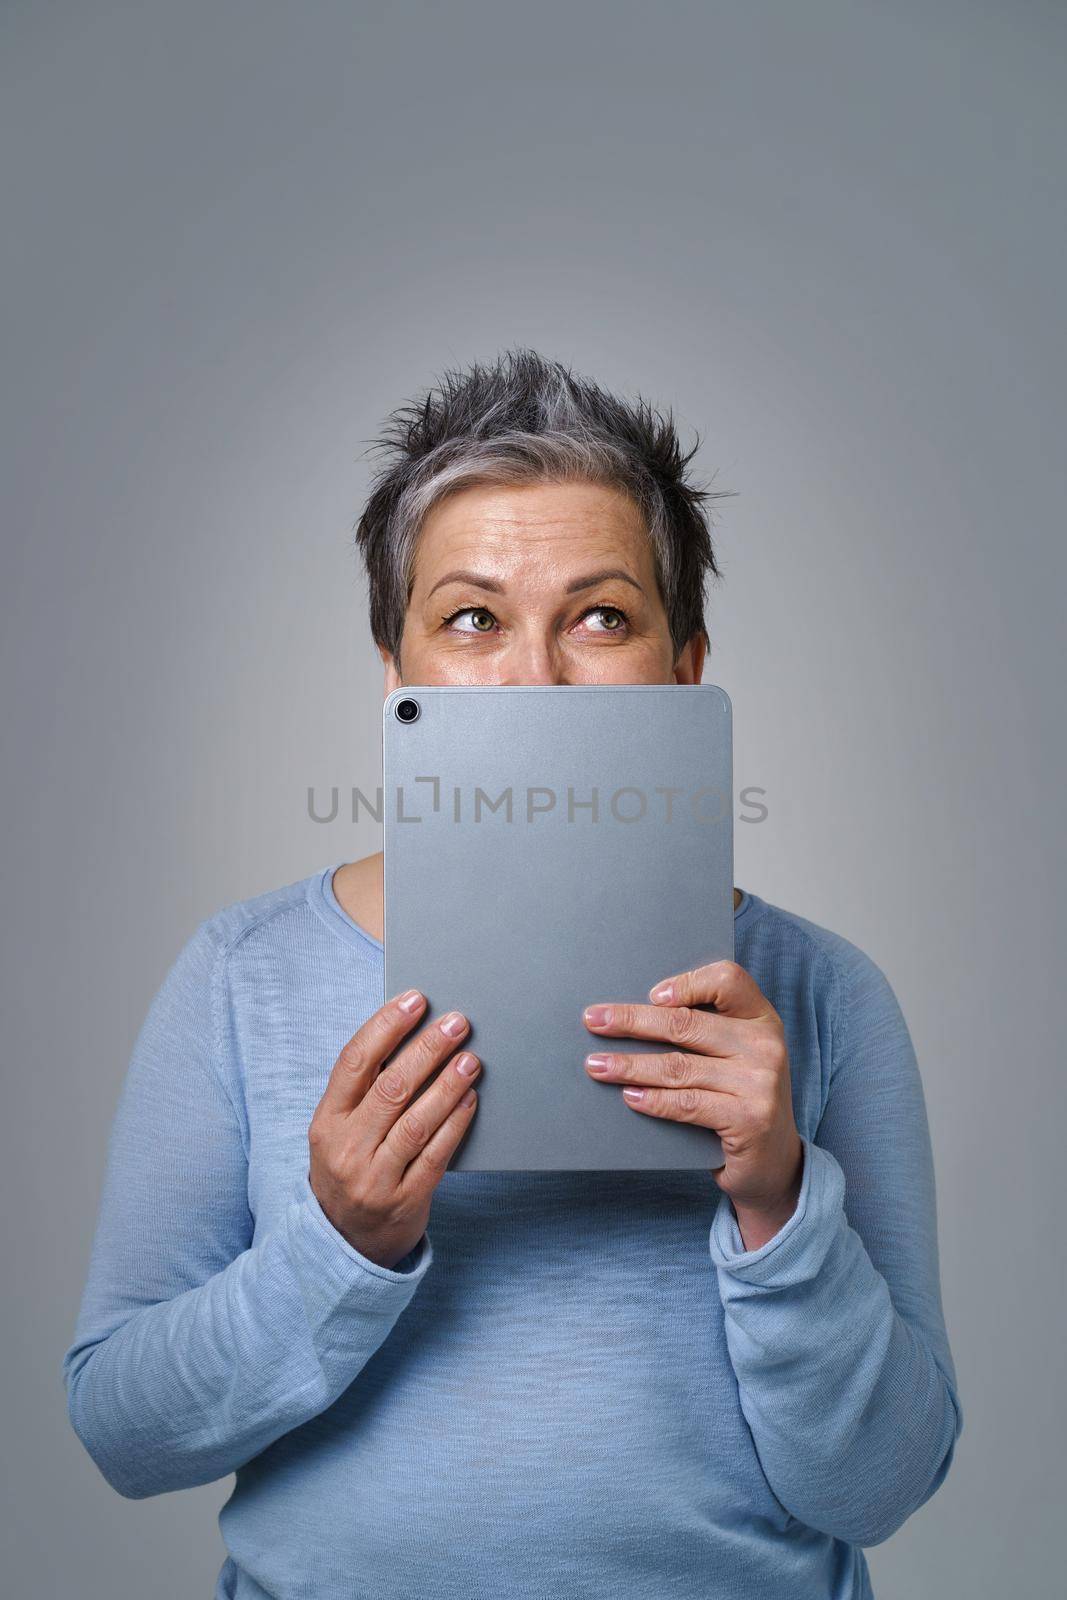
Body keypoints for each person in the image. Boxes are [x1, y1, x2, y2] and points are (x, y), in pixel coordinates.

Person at [62, 348, 963, 1599]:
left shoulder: (821, 994)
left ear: (682, 666)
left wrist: (780, 1200)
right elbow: (123, 1430)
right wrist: (338, 1245)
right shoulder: (241, 976)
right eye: (471, 618)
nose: (535, 677)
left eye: (600, 615)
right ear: (397, 674)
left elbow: (880, 1486)